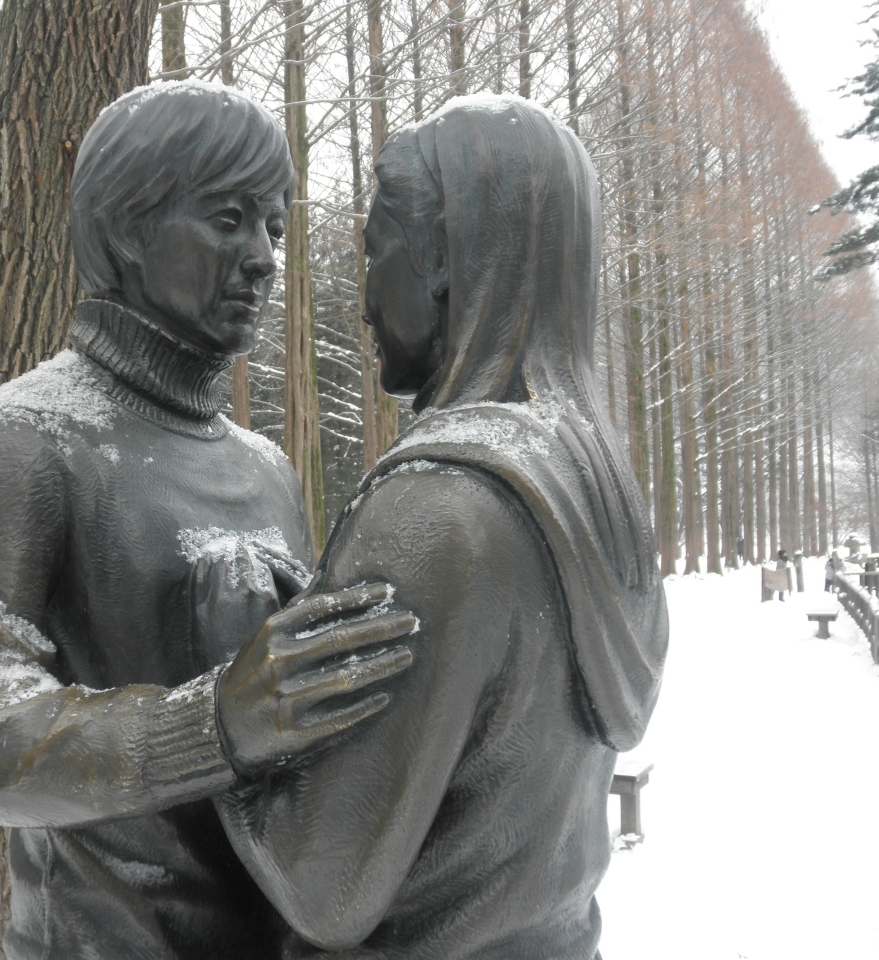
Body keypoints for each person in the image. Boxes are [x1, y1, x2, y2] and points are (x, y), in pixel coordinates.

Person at [0, 83, 415, 960]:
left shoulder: (266, 469)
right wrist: (215, 722)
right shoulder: (10, 441)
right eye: (227, 219)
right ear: (129, 227)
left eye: (275, 230)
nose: (262, 258)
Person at [212, 96, 669, 959]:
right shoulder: (595, 487)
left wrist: (222, 687)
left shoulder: (437, 507)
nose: (361, 300)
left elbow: (322, 887)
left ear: (447, 265)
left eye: (376, 248)